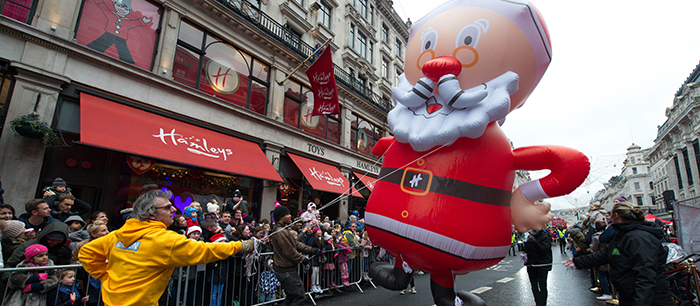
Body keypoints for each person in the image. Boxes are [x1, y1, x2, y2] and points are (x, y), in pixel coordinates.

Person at [78, 190, 255, 306]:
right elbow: (206, 250)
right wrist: (240, 246)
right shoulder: (165, 240)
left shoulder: (117, 235)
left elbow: (87, 252)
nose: (174, 210)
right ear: (150, 214)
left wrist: (107, 278)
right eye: (168, 207)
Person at [568, 202, 673, 306]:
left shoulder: (638, 238)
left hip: (648, 299)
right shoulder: (622, 235)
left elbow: (646, 276)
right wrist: (576, 261)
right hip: (630, 295)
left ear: (616, 215)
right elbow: (602, 255)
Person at [269, 206, 319, 306]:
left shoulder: (284, 230)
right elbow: (289, 251)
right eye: (287, 214)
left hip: (286, 269)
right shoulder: (280, 232)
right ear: (281, 217)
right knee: (299, 296)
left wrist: (311, 250)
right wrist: (303, 259)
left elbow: (295, 244)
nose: (290, 216)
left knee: (291, 296)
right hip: (285, 270)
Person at [524, 229, 552, 306]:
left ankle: (542, 304)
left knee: (542, 285)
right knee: (534, 285)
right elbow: (527, 249)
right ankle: (538, 303)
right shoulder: (529, 236)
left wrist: (534, 242)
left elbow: (544, 250)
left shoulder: (545, 236)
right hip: (532, 265)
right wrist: (524, 254)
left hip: (542, 265)